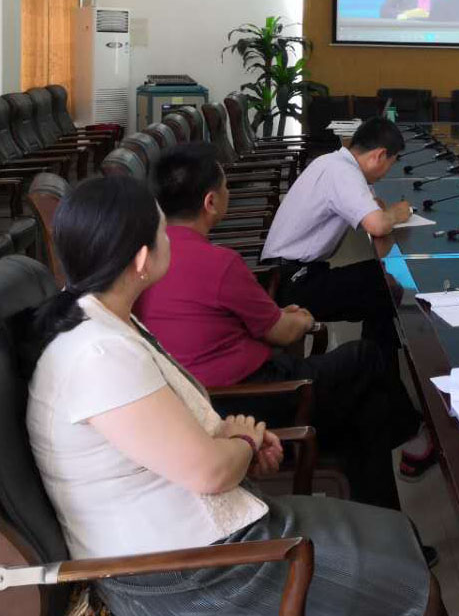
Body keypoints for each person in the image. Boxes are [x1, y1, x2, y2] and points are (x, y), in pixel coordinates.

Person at [24, 176, 433, 616]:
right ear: (142, 259)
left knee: (395, 536)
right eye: (163, 234)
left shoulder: (101, 323)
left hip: (193, 543)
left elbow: (178, 443)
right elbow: (212, 472)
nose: (171, 240)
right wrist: (242, 442)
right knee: (409, 581)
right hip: (184, 575)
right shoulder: (98, 355)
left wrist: (233, 440)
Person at [135, 143, 432, 510]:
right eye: (226, 187)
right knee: (365, 358)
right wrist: (300, 319)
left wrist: (275, 317)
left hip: (201, 402)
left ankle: (387, 521)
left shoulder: (146, 260)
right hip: (254, 398)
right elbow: (283, 332)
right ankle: (411, 431)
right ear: (211, 202)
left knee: (366, 411)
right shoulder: (218, 263)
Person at [260, 116, 412, 357]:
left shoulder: (333, 162)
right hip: (291, 282)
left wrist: (379, 211)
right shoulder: (343, 173)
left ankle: (376, 364)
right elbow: (377, 225)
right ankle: (377, 368)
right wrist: (396, 213)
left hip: (289, 272)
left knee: (378, 279)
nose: (386, 173)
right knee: (383, 286)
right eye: (390, 164)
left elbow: (370, 208)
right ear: (379, 155)